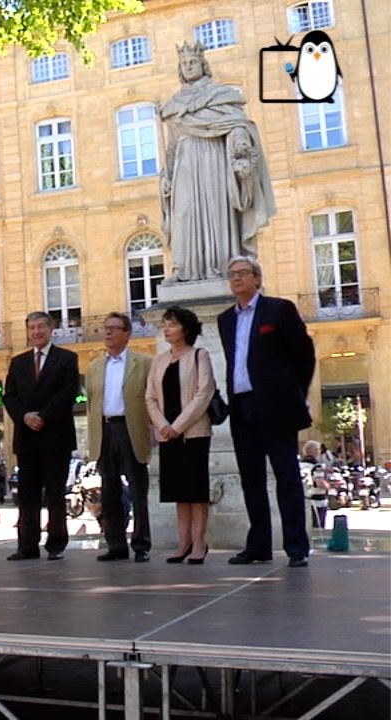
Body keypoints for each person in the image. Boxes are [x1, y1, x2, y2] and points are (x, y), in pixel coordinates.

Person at [218, 256, 316, 567]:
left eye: (242, 273)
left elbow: (304, 355)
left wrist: (295, 394)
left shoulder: (278, 310)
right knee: (251, 478)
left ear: (257, 278)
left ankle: (296, 547)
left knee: (286, 476)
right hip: (241, 405)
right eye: (232, 274)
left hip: (276, 406)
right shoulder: (225, 319)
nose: (236, 278)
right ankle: (258, 545)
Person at [160, 42, 274, 283]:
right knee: (183, 214)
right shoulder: (174, 105)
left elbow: (238, 124)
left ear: (203, 65)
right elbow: (171, 145)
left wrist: (241, 146)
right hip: (184, 164)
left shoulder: (220, 95)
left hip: (213, 160)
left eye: (192, 62)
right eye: (184, 63)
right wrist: (166, 175)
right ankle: (183, 269)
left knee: (216, 213)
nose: (188, 66)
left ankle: (222, 268)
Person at [3, 312, 80, 561]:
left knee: (55, 493)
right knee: (27, 494)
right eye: (32, 328)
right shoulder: (18, 362)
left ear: (50, 329)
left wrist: (43, 417)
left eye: (40, 327)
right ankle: (27, 545)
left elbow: (68, 394)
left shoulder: (67, 358)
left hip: (56, 436)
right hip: (26, 437)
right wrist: (24, 417)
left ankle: (56, 544)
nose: (36, 332)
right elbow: (9, 396)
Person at [146, 306, 215, 564]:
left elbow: (204, 393)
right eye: (165, 324)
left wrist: (178, 426)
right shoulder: (159, 360)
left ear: (185, 329)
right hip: (167, 434)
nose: (167, 329)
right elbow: (150, 397)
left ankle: (199, 543)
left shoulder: (199, 355)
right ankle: (183, 542)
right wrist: (163, 425)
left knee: (196, 491)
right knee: (179, 491)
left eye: (172, 324)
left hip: (193, 433)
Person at [85, 312, 155, 562]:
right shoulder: (94, 367)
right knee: (109, 488)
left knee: (137, 488)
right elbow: (91, 402)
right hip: (105, 429)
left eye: (114, 328)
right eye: (106, 328)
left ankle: (141, 544)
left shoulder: (143, 363)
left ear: (127, 334)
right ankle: (115, 545)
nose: (108, 333)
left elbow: (152, 398)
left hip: (130, 428)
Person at [299, 440, 329, 529]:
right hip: (318, 502)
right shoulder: (317, 466)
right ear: (315, 451)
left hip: (305, 500)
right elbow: (319, 483)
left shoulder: (300, 465)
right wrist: (328, 486)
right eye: (318, 450)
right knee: (319, 530)